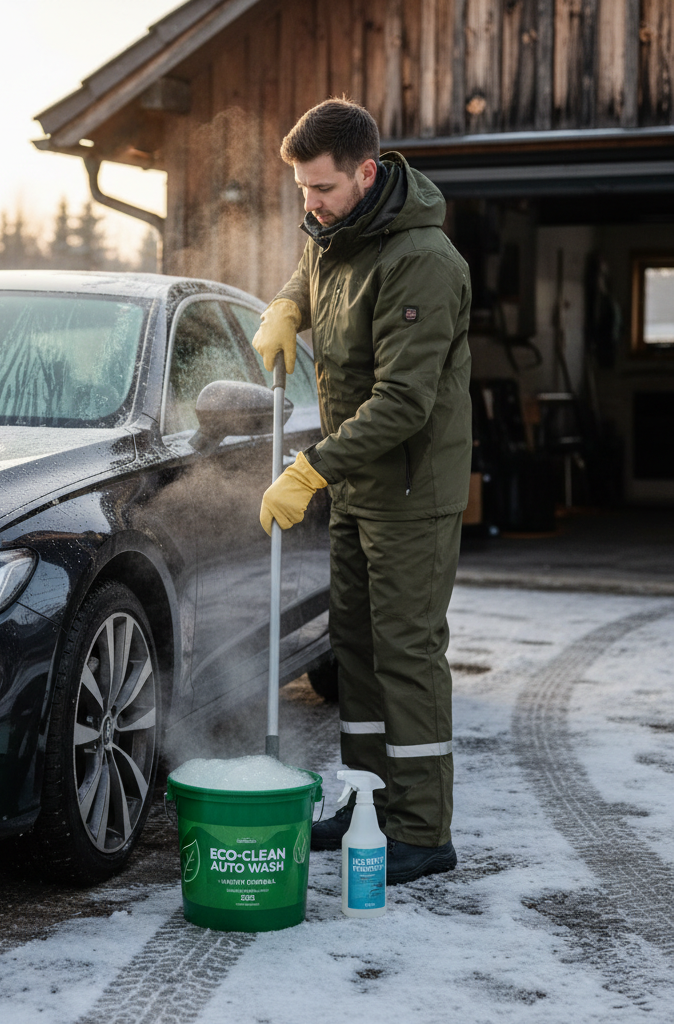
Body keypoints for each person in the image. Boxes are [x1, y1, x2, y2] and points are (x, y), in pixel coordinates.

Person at [253, 98, 472, 885]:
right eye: (302, 189)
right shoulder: (334, 236)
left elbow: (405, 402)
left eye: (321, 187)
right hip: (357, 486)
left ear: (367, 173)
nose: (309, 203)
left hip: (410, 488)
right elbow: (312, 275)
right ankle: (368, 800)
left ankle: (421, 827)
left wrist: (311, 469)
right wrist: (285, 303)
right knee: (359, 650)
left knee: (407, 654)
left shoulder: (422, 261)